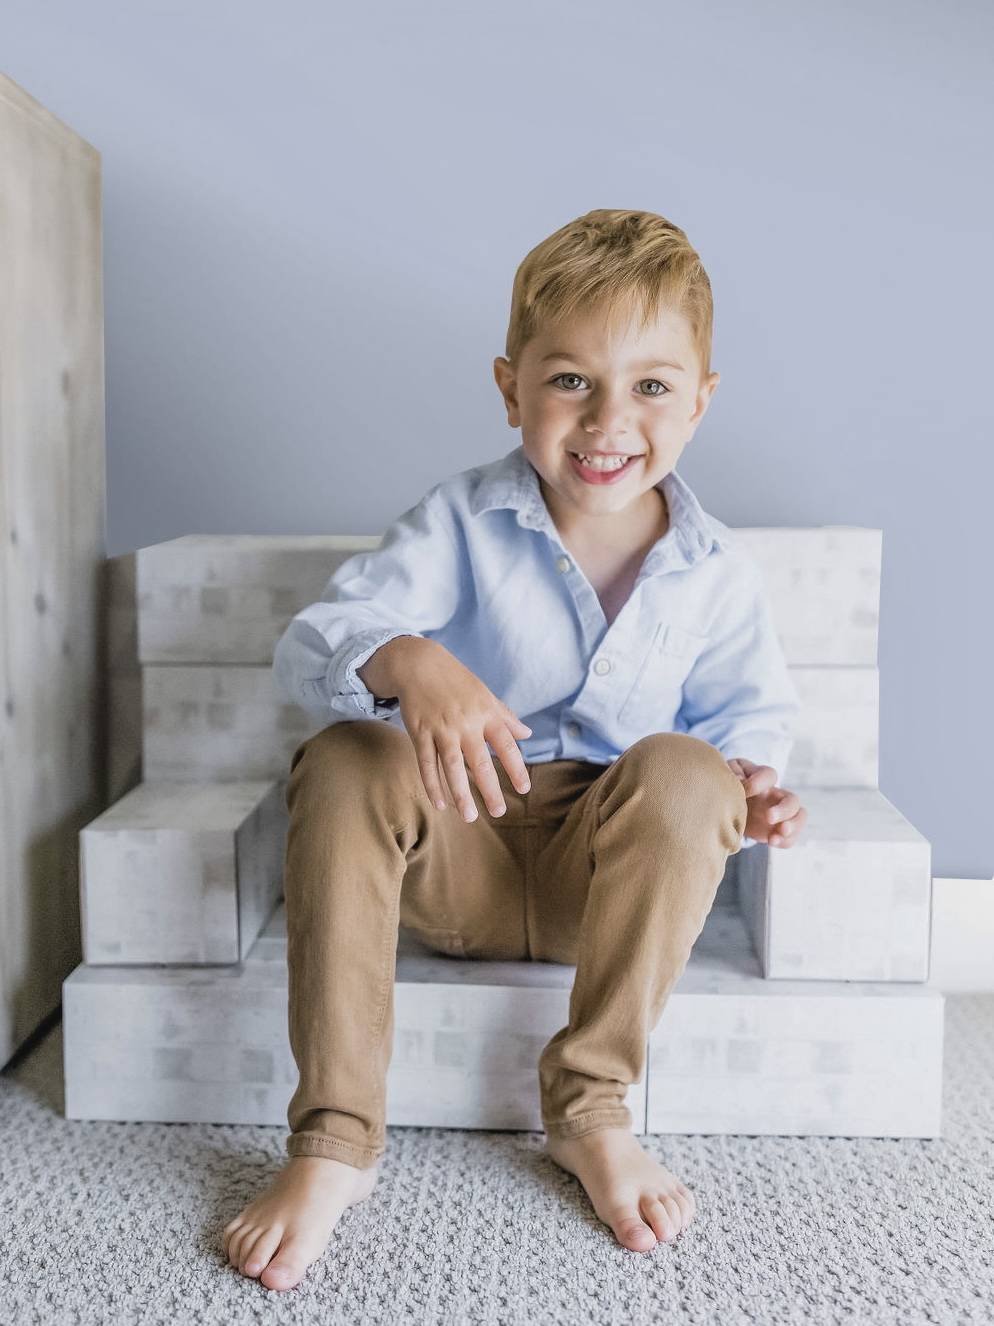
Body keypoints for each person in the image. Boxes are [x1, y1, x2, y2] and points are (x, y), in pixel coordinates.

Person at [222, 208, 808, 1290]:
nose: (607, 421)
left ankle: (589, 1108)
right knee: (349, 753)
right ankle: (334, 1142)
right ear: (511, 389)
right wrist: (411, 661)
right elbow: (314, 646)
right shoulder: (459, 521)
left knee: (689, 769)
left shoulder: (717, 570)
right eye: (571, 381)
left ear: (701, 400)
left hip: (608, 882)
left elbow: (748, 723)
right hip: (463, 853)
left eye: (650, 387)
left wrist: (751, 790)